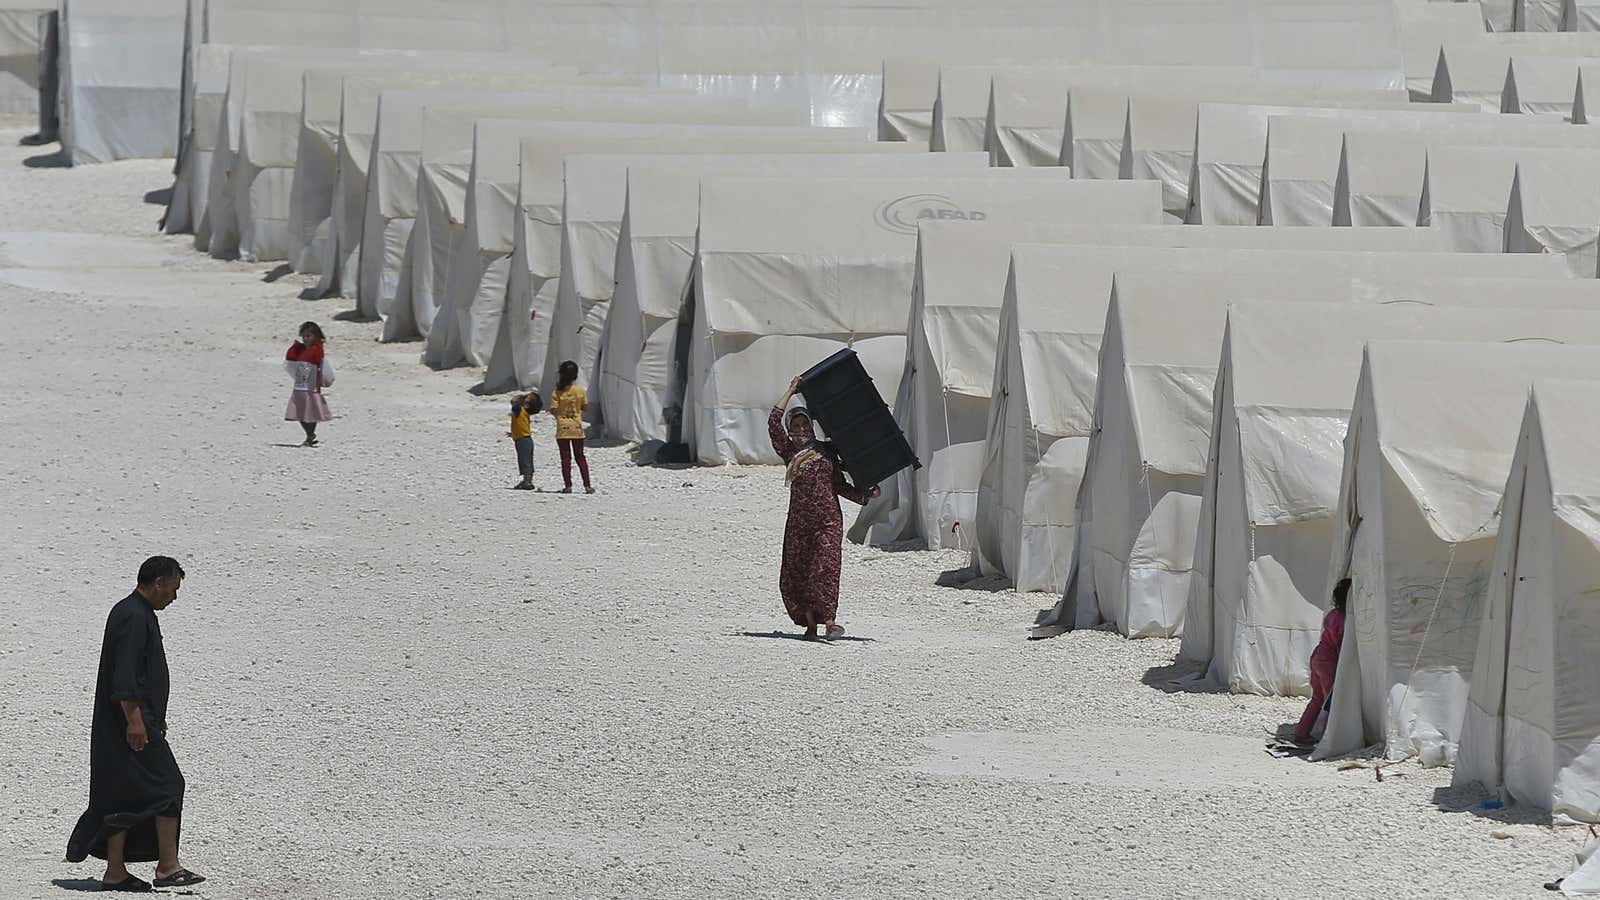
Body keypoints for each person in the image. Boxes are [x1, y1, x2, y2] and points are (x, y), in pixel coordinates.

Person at [67, 556, 205, 891]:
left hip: (129, 724)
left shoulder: (132, 612)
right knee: (169, 785)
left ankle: (115, 872)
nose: (174, 597)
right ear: (158, 582)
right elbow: (125, 676)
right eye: (173, 589)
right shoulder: (134, 616)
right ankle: (168, 867)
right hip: (131, 725)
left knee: (122, 794)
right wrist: (136, 722)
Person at [770, 376, 880, 640]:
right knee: (802, 571)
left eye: (804, 425)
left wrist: (866, 496)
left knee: (826, 568)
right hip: (799, 524)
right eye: (795, 426)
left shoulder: (827, 452)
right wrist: (791, 391)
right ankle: (811, 626)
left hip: (828, 521)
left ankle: (830, 622)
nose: (800, 431)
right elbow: (774, 423)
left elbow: (839, 486)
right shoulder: (789, 453)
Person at [1295, 578, 1350, 744]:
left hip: (1318, 656)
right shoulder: (1345, 620)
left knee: (1318, 698)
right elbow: (1341, 645)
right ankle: (1328, 739)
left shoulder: (1332, 615)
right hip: (1329, 662)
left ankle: (1301, 731)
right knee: (1331, 702)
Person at [284, 321, 331, 447]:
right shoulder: (301, 350)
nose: (305, 339)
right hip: (300, 386)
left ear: (316, 336)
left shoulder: (317, 350)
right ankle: (310, 435)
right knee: (299, 412)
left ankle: (310, 435)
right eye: (304, 336)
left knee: (311, 413)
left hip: (311, 387)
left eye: (309, 336)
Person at [550, 360, 593, 494]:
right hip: (577, 428)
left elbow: (553, 410)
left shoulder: (557, 392)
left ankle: (568, 486)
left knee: (565, 458)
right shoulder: (580, 391)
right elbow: (585, 407)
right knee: (580, 457)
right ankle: (587, 486)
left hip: (563, 429)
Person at [507, 390, 541, 490]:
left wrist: (520, 396)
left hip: (523, 440)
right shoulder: (523, 412)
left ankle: (527, 482)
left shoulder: (519, 410)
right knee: (527, 460)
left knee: (525, 460)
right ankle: (527, 480)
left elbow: (513, 401)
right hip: (525, 439)